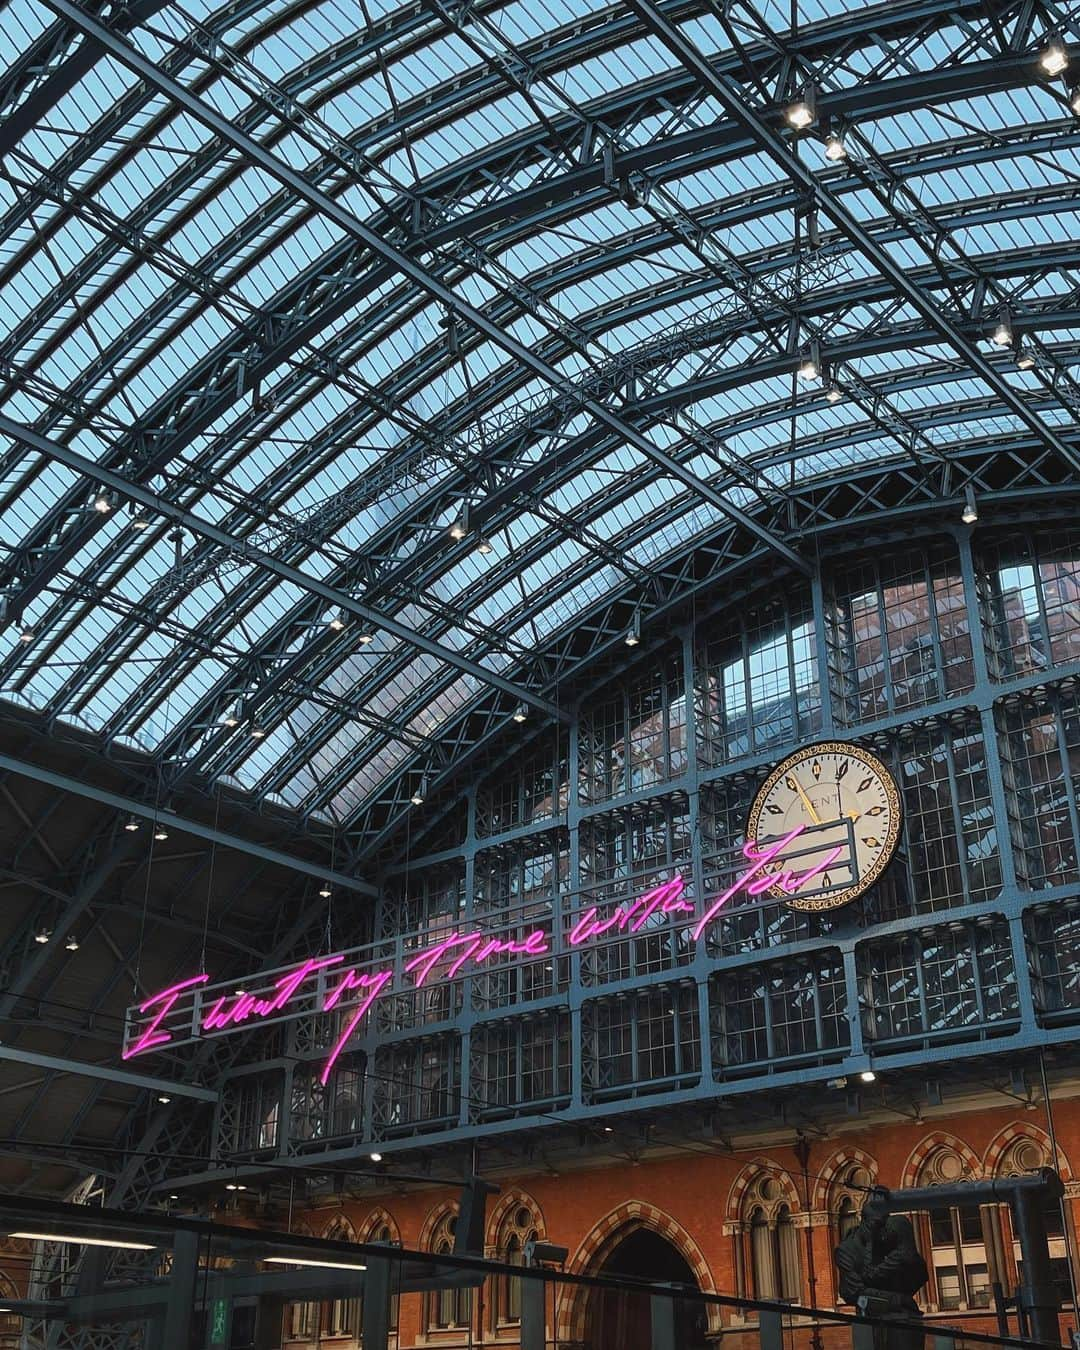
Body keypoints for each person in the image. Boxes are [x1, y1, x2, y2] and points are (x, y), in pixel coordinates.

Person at [835, 1187, 928, 1350]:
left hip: (904, 1320)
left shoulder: (887, 1240)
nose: (882, 1232)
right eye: (877, 1225)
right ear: (864, 1222)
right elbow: (855, 1292)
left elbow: (917, 1278)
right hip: (874, 1325)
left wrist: (908, 1248)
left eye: (884, 1225)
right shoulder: (847, 1250)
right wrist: (899, 1299)